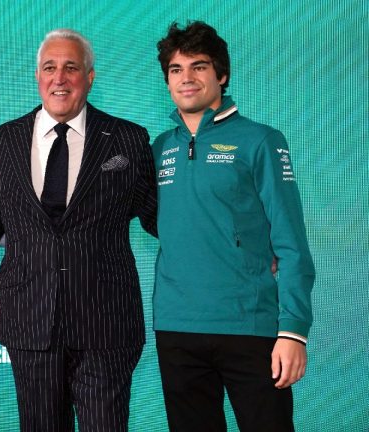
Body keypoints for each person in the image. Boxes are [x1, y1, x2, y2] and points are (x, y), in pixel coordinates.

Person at [0, 29, 158, 431]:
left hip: (107, 324)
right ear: (37, 76)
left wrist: (240, 247)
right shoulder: (2, 141)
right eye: (50, 67)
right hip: (30, 321)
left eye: (71, 67)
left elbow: (162, 218)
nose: (59, 78)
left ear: (90, 76)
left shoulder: (129, 139)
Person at [151, 21, 315, 431]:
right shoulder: (158, 148)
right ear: (167, 80)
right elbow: (166, 221)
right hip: (177, 327)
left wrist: (293, 330)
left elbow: (291, 242)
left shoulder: (260, 140)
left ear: (221, 75)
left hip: (249, 325)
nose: (186, 78)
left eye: (199, 66)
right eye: (176, 69)